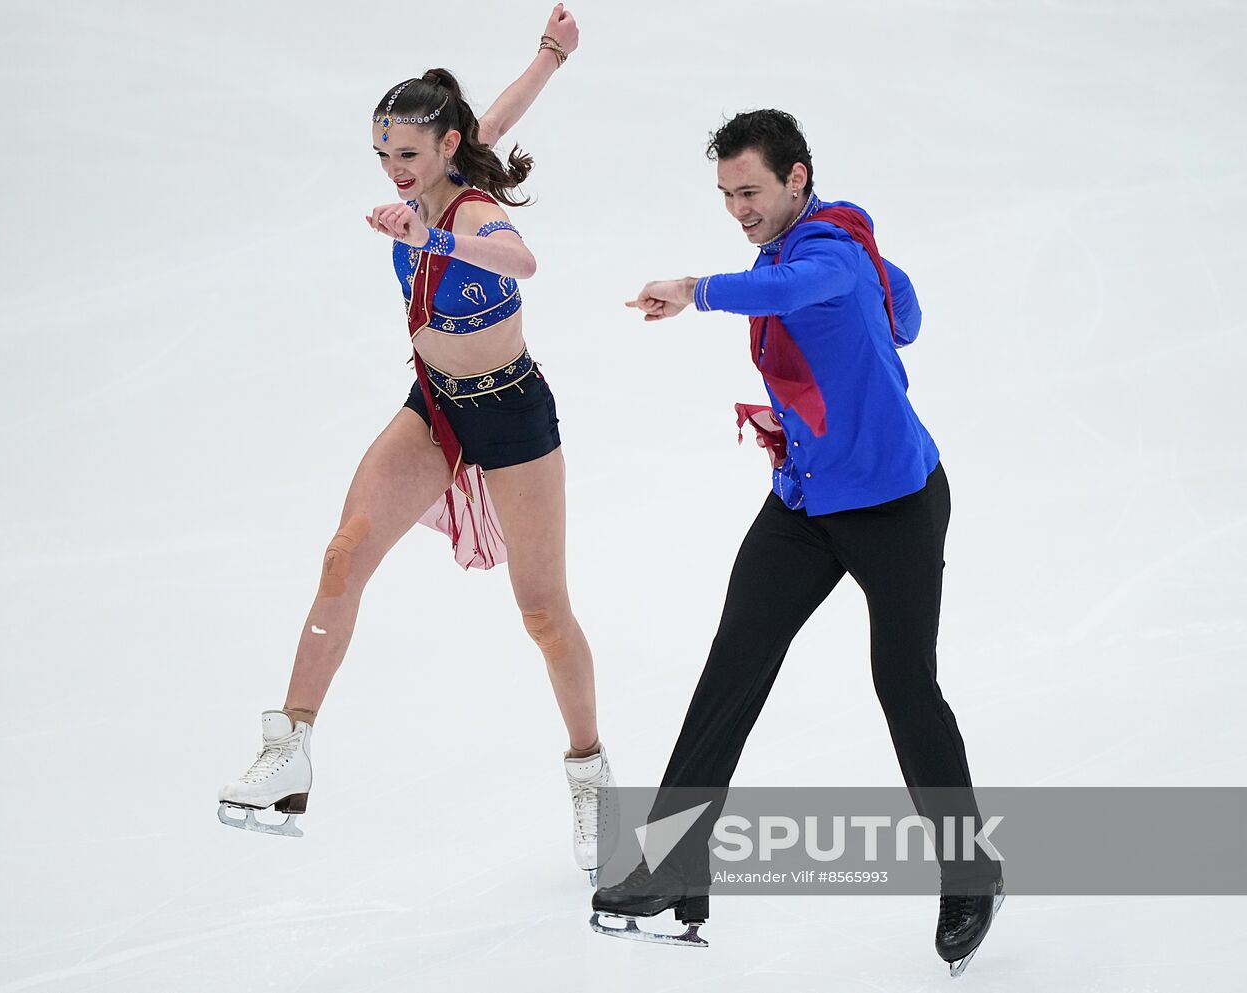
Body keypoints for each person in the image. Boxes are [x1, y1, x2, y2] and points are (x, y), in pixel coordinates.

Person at [589, 109, 1004, 975]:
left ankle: (972, 874)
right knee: (733, 664)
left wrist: (698, 288)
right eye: (726, 194)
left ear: (796, 178)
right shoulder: (812, 249)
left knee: (904, 685)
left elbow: (809, 296)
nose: (738, 209)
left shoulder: (827, 254)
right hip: (805, 502)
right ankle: (673, 867)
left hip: (894, 505)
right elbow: (907, 317)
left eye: (751, 190)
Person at [217, 5, 613, 887]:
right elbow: (502, 112)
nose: (395, 171)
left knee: (543, 610)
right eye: (384, 155)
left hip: (512, 414)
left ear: (446, 147)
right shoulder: (446, 165)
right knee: (343, 553)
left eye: (408, 154)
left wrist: (429, 235)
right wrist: (551, 53)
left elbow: (523, 263)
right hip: (433, 403)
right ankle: (290, 750)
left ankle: (590, 775)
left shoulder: (470, 210)